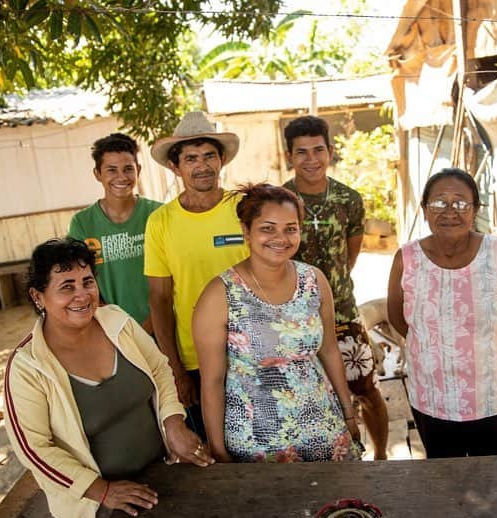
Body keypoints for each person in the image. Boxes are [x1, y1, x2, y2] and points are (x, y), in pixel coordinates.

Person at [3, 238, 213, 518]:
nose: (82, 295)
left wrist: (173, 423)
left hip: (158, 476)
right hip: (94, 508)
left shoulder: (116, 321)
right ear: (38, 296)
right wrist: (103, 491)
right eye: (66, 286)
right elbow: (33, 449)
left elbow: (158, 367)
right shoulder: (28, 366)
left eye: (87, 282)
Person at [193, 183, 362, 463]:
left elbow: (329, 351)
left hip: (323, 428)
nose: (280, 238)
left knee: (337, 503)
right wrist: (218, 450)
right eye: (267, 228)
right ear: (246, 232)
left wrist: (348, 413)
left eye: (290, 228)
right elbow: (212, 381)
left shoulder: (314, 280)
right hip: (258, 441)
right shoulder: (220, 294)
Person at [386, 168, 497, 458]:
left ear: (474, 211)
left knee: (496, 480)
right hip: (432, 398)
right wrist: (434, 349)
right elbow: (398, 317)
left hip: (492, 398)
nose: (450, 211)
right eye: (439, 203)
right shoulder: (406, 259)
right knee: (446, 480)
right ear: (424, 210)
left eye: (460, 203)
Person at [282, 115, 389, 460]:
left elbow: (350, 254)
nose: (311, 159)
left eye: (318, 150)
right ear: (289, 156)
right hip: (293, 315)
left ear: (330, 152)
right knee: (305, 395)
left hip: (342, 310)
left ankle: (382, 456)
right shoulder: (279, 200)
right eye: (301, 152)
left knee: (365, 387)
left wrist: (333, 288)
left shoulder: (349, 199)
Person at [145, 111, 248, 439]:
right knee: (212, 454)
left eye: (209, 156)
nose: (202, 166)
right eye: (191, 158)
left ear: (222, 161)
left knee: (263, 448)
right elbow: (160, 299)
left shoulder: (246, 208)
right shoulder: (160, 223)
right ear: (175, 167)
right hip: (194, 360)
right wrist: (175, 370)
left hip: (252, 352)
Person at [69, 133, 160, 332]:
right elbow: (81, 281)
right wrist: (118, 328)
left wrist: (151, 325)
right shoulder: (82, 223)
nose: (121, 177)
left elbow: (173, 278)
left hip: (162, 326)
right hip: (112, 331)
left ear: (139, 170)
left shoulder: (158, 214)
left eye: (128, 169)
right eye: (111, 170)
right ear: (97, 174)